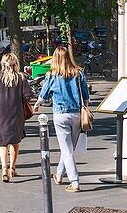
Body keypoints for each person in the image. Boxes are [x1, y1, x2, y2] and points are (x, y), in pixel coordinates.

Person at [34, 45, 90, 192]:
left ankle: (75, 181)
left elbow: (44, 94)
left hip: (60, 115)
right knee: (68, 149)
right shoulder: (78, 73)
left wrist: (37, 104)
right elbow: (86, 96)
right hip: (77, 115)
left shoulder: (52, 75)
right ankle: (58, 175)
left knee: (67, 150)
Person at [0, 52, 33, 183]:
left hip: (1, 114)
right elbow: (28, 96)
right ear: (16, 64)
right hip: (16, 114)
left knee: (2, 143)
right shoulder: (21, 78)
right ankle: (12, 168)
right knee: (15, 141)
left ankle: (4, 168)